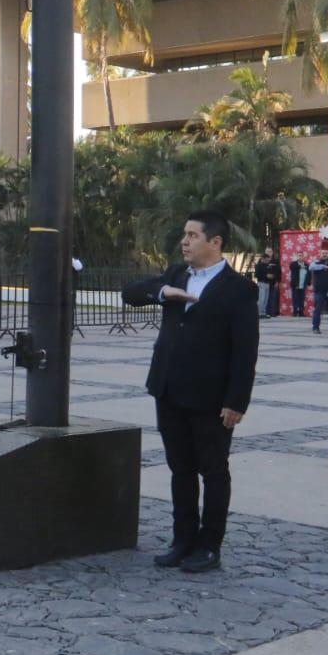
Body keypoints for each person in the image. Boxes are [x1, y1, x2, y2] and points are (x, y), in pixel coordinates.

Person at [122, 210, 259, 574]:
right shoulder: (177, 274)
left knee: (213, 471)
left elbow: (245, 350)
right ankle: (181, 539)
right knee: (179, 468)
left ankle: (209, 544)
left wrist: (236, 401)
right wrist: (163, 291)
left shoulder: (239, 288)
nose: (185, 241)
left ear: (215, 242)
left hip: (211, 398)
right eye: (185, 235)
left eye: (193, 236)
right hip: (169, 388)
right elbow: (131, 293)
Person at [309, 248, 328, 334]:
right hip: (320, 291)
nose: (324, 254)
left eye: (326, 253)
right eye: (323, 253)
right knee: (318, 310)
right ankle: (315, 328)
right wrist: (323, 266)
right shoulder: (316, 263)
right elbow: (311, 267)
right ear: (320, 254)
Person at [254, 247, 280, 318]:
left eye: (268, 259)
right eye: (267, 259)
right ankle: (259, 313)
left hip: (268, 283)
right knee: (261, 299)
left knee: (266, 299)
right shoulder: (259, 265)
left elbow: (276, 272)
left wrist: (273, 277)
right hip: (261, 283)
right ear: (263, 259)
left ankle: (263, 312)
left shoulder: (268, 265)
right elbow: (257, 274)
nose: (268, 260)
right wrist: (266, 276)